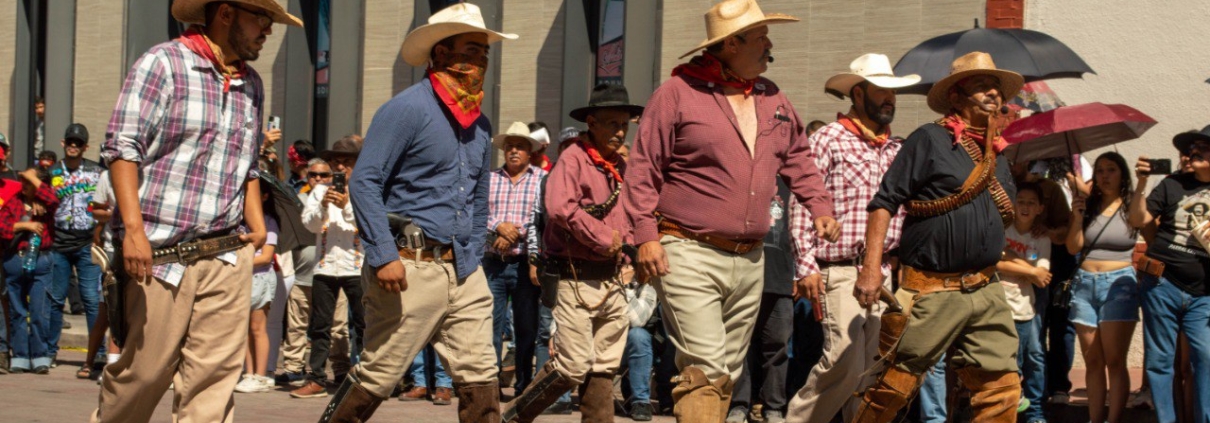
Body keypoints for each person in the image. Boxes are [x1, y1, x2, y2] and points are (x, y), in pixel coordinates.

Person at [624, 1, 839, 420]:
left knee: (727, 372)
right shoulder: (676, 93)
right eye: (760, 38)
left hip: (750, 258)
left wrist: (819, 205)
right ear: (731, 44)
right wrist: (646, 237)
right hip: (687, 250)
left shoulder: (772, 96)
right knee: (705, 368)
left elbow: (798, 156)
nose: (769, 45)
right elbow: (643, 168)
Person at [92, 1, 296, 420]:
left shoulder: (252, 84)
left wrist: (257, 225)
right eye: (261, 19)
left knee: (213, 383)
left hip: (227, 254)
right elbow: (122, 148)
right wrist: (133, 231)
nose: (267, 31)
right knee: (143, 374)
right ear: (226, 14)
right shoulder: (163, 63)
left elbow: (247, 164)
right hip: (160, 253)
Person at [329, 3, 516, 421]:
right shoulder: (407, 109)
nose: (481, 61)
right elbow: (364, 181)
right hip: (408, 266)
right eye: (472, 50)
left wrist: (472, 256)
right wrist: (383, 255)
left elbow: (478, 198)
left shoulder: (480, 125)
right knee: (379, 374)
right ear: (442, 53)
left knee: (481, 374)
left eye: (485, 52)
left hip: (463, 270)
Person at [851, 51, 1021, 423]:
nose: (993, 93)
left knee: (1002, 391)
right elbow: (884, 202)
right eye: (981, 86)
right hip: (932, 289)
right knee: (893, 388)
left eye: (996, 87)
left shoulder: (996, 151)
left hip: (986, 287)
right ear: (956, 97)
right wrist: (871, 268)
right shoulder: (929, 138)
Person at [783, 53, 917, 423]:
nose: (890, 98)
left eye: (893, 92)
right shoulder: (828, 139)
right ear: (858, 94)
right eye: (881, 90)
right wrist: (806, 266)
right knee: (843, 362)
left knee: (872, 370)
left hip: (884, 271)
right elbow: (802, 202)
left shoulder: (896, 149)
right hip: (840, 270)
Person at [502, 82, 641, 423]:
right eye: (612, 123)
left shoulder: (621, 166)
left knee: (604, 364)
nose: (619, 131)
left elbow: (630, 214)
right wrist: (605, 238)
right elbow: (560, 208)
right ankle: (512, 418)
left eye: (624, 124)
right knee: (572, 364)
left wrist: (629, 255)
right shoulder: (573, 158)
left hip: (611, 279)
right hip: (575, 276)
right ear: (591, 123)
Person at [1129, 125, 1210, 423]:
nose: (1194, 152)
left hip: (1204, 293)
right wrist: (1141, 184)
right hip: (1162, 284)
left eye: (1203, 147)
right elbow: (1138, 219)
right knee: (1160, 361)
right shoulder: (1172, 184)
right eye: (1192, 148)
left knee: (1206, 358)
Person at [1064, 151, 1139, 423]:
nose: (1105, 176)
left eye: (1111, 170)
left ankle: (1113, 420)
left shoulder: (1130, 206)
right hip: (1084, 285)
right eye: (1100, 171)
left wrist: (1142, 183)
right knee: (1093, 361)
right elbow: (1073, 247)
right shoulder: (1087, 206)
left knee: (1115, 360)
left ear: (1122, 175)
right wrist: (1076, 217)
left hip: (1118, 284)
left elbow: (1148, 229)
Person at [291, 136, 368, 399]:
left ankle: (366, 378)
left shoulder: (364, 190)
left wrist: (345, 206)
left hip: (356, 266)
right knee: (320, 326)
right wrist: (324, 207)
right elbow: (310, 225)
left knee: (363, 324)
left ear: (356, 164)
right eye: (336, 162)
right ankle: (316, 378)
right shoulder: (319, 191)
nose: (340, 167)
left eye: (346, 162)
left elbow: (367, 225)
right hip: (325, 266)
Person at [484, 122, 547, 393]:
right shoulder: (489, 179)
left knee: (526, 328)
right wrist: (498, 226)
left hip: (525, 265)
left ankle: (523, 385)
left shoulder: (542, 179)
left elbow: (541, 218)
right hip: (493, 263)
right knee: (490, 326)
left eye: (520, 147)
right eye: (509, 146)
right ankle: (490, 385)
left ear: (530, 151)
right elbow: (476, 213)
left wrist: (514, 232)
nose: (513, 151)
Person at [279, 158, 351, 387]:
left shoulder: (347, 196)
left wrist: (339, 204)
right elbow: (302, 228)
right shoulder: (299, 199)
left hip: (336, 272)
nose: (318, 179)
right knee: (297, 326)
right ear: (306, 176)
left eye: (324, 175)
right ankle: (293, 368)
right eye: (313, 175)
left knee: (338, 326)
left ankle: (340, 369)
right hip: (303, 273)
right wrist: (322, 206)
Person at [45, 123, 104, 377]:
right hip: (58, 243)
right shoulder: (52, 172)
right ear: (63, 143)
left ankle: (98, 353)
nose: (73, 146)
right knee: (56, 299)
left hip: (87, 243)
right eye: (70, 141)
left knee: (91, 299)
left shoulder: (96, 172)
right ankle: (49, 351)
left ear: (85, 147)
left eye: (78, 143)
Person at [997, 183, 1052, 423]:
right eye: (1021, 201)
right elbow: (995, 262)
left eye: (1031, 202)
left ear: (1040, 208)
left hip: (1026, 309)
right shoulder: (1002, 230)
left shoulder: (1042, 238)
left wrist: (1011, 259)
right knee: (1010, 362)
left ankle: (1035, 413)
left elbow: (1043, 277)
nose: (1025, 206)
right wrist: (1030, 270)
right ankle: (1008, 412)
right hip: (1000, 307)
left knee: (1034, 358)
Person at [2, 167, 58, 373]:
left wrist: (34, 181)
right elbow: (2, 227)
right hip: (15, 260)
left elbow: (53, 198)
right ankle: (20, 356)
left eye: (29, 181)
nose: (23, 185)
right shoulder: (14, 201)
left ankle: (40, 355)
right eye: (23, 181)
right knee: (17, 311)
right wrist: (24, 226)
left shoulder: (46, 204)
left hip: (41, 260)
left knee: (39, 311)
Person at [236, 167, 281, 394]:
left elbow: (266, 256)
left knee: (257, 328)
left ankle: (261, 375)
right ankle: (249, 372)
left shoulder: (269, 222)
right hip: (242, 278)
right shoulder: (239, 222)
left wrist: (240, 261)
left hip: (261, 278)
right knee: (243, 329)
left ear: (264, 196)